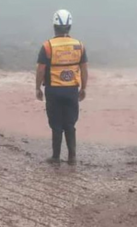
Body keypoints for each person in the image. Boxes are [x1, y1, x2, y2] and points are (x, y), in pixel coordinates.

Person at [36, 9, 88, 165]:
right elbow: (84, 69)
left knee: (56, 124)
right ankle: (72, 157)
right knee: (70, 123)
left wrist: (37, 88)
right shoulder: (79, 46)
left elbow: (41, 70)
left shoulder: (47, 46)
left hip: (53, 90)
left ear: (54, 26)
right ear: (70, 26)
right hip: (72, 90)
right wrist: (83, 88)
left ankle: (56, 157)